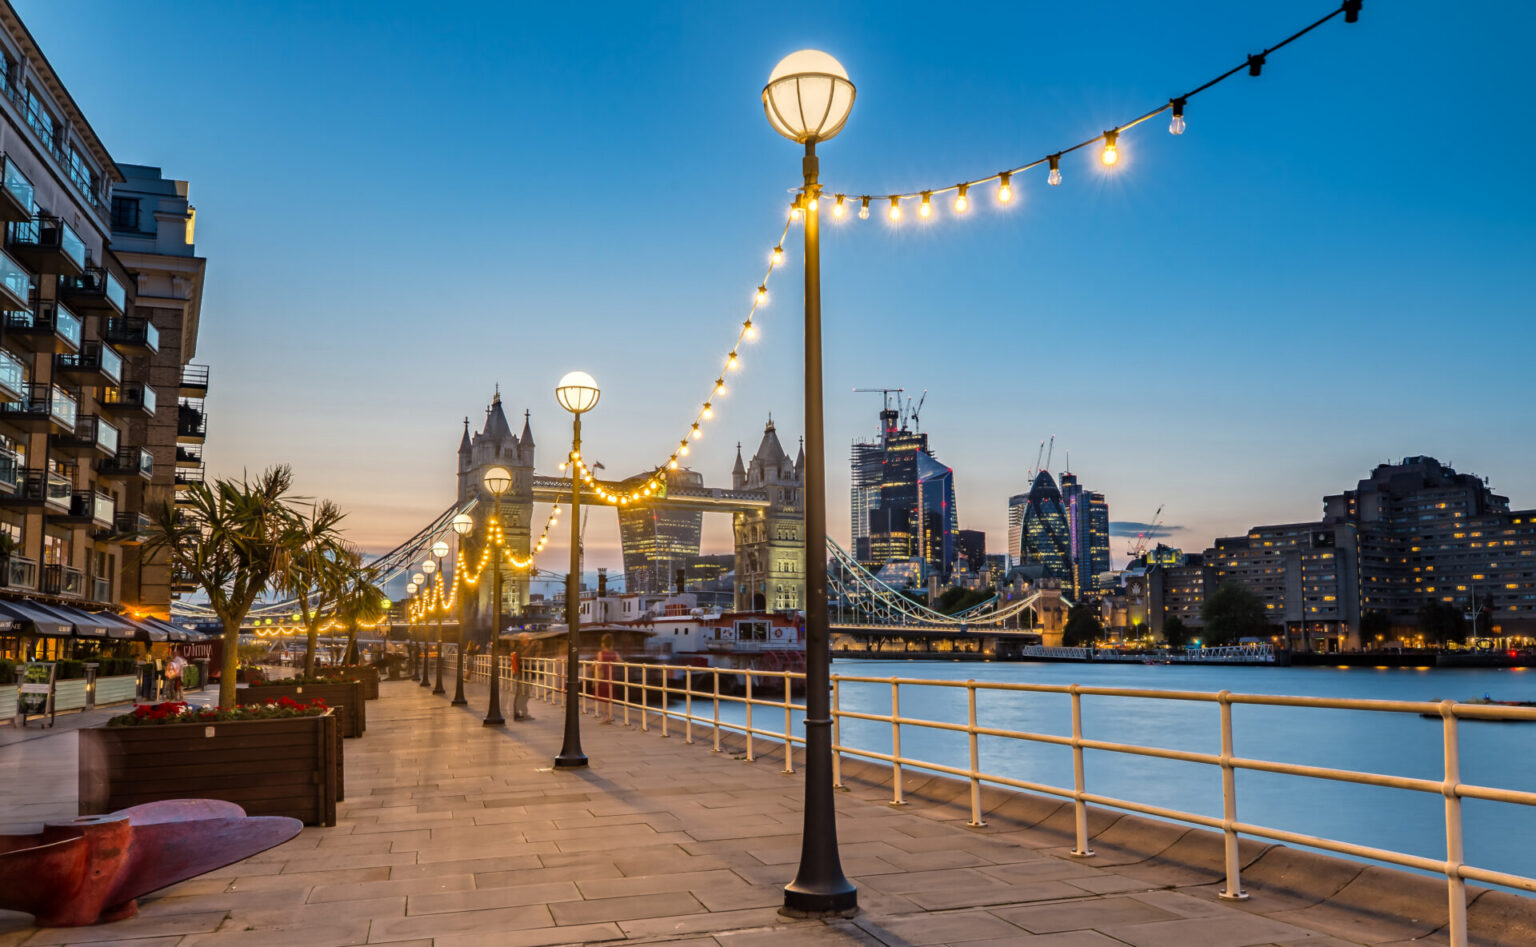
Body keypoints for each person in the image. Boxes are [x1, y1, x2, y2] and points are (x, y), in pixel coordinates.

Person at [595, 633, 620, 724]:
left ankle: (604, 718)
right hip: (611, 678)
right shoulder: (614, 653)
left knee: (603, 699)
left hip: (603, 678)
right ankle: (610, 716)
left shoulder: (601, 653)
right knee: (610, 698)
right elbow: (620, 661)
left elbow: (600, 666)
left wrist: (596, 664)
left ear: (603, 643)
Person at [511, 632, 536, 721]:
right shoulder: (519, 648)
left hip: (528, 673)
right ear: (522, 639)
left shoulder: (526, 647)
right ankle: (517, 714)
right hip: (522, 674)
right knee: (521, 694)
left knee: (526, 694)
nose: (528, 639)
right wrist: (531, 646)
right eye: (526, 638)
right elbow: (524, 655)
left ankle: (523, 713)